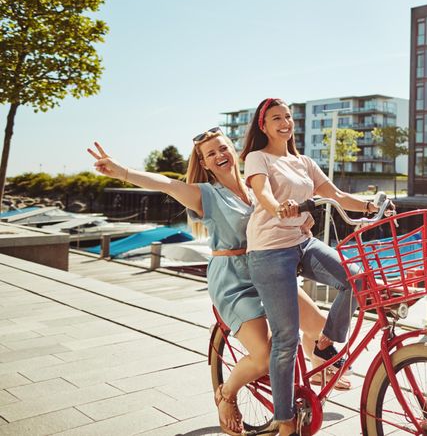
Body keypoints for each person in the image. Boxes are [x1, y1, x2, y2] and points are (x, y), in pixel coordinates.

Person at [87, 130, 346, 436]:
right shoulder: (205, 194)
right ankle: (226, 393)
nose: (219, 155)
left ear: (233, 151)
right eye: (211, 154)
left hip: (269, 270)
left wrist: (302, 221)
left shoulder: (257, 184)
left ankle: (312, 371)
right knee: (263, 357)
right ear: (206, 163)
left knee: (319, 327)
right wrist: (122, 171)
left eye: (222, 148)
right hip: (234, 280)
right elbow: (166, 184)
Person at [241, 98, 391, 435]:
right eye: (276, 118)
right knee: (286, 337)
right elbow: (261, 191)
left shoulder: (304, 162)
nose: (285, 123)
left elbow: (336, 194)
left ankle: (326, 343)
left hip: (301, 242)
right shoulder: (258, 157)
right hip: (269, 250)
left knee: (358, 279)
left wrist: (371, 206)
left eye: (288, 117)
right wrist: (278, 207)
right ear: (263, 126)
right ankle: (284, 421)